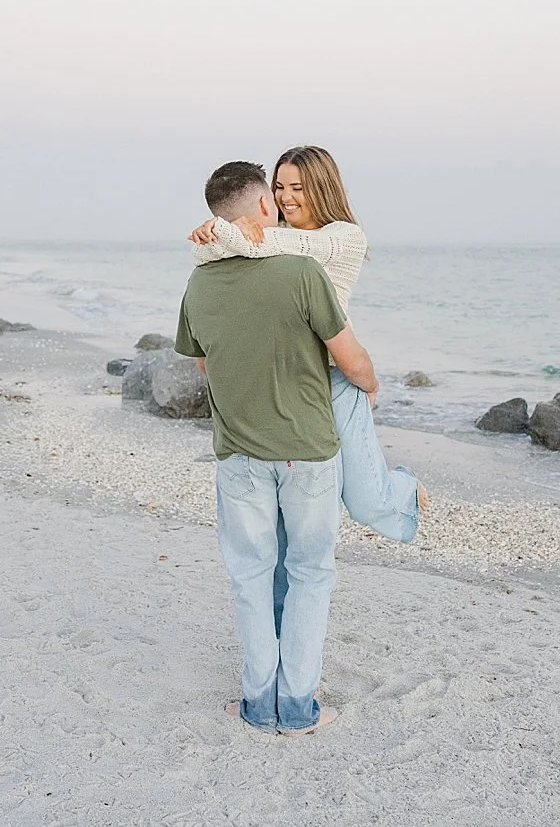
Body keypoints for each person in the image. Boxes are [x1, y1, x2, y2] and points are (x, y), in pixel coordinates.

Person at [175, 160, 376, 734]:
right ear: (264, 207)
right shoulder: (300, 272)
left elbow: (206, 362)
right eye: (278, 194)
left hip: (238, 452)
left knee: (251, 574)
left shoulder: (199, 281)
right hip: (305, 450)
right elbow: (349, 357)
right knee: (310, 572)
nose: (285, 202)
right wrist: (369, 384)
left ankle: (258, 705)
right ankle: (299, 707)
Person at [188, 145, 426, 554]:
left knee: (368, 503)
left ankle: (404, 486)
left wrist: (219, 231)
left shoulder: (343, 237)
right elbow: (217, 255)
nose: (285, 197)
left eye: (298, 187)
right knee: (288, 525)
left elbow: (276, 248)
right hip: (291, 383)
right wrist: (213, 234)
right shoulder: (266, 234)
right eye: (279, 187)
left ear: (322, 187)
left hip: (336, 379)